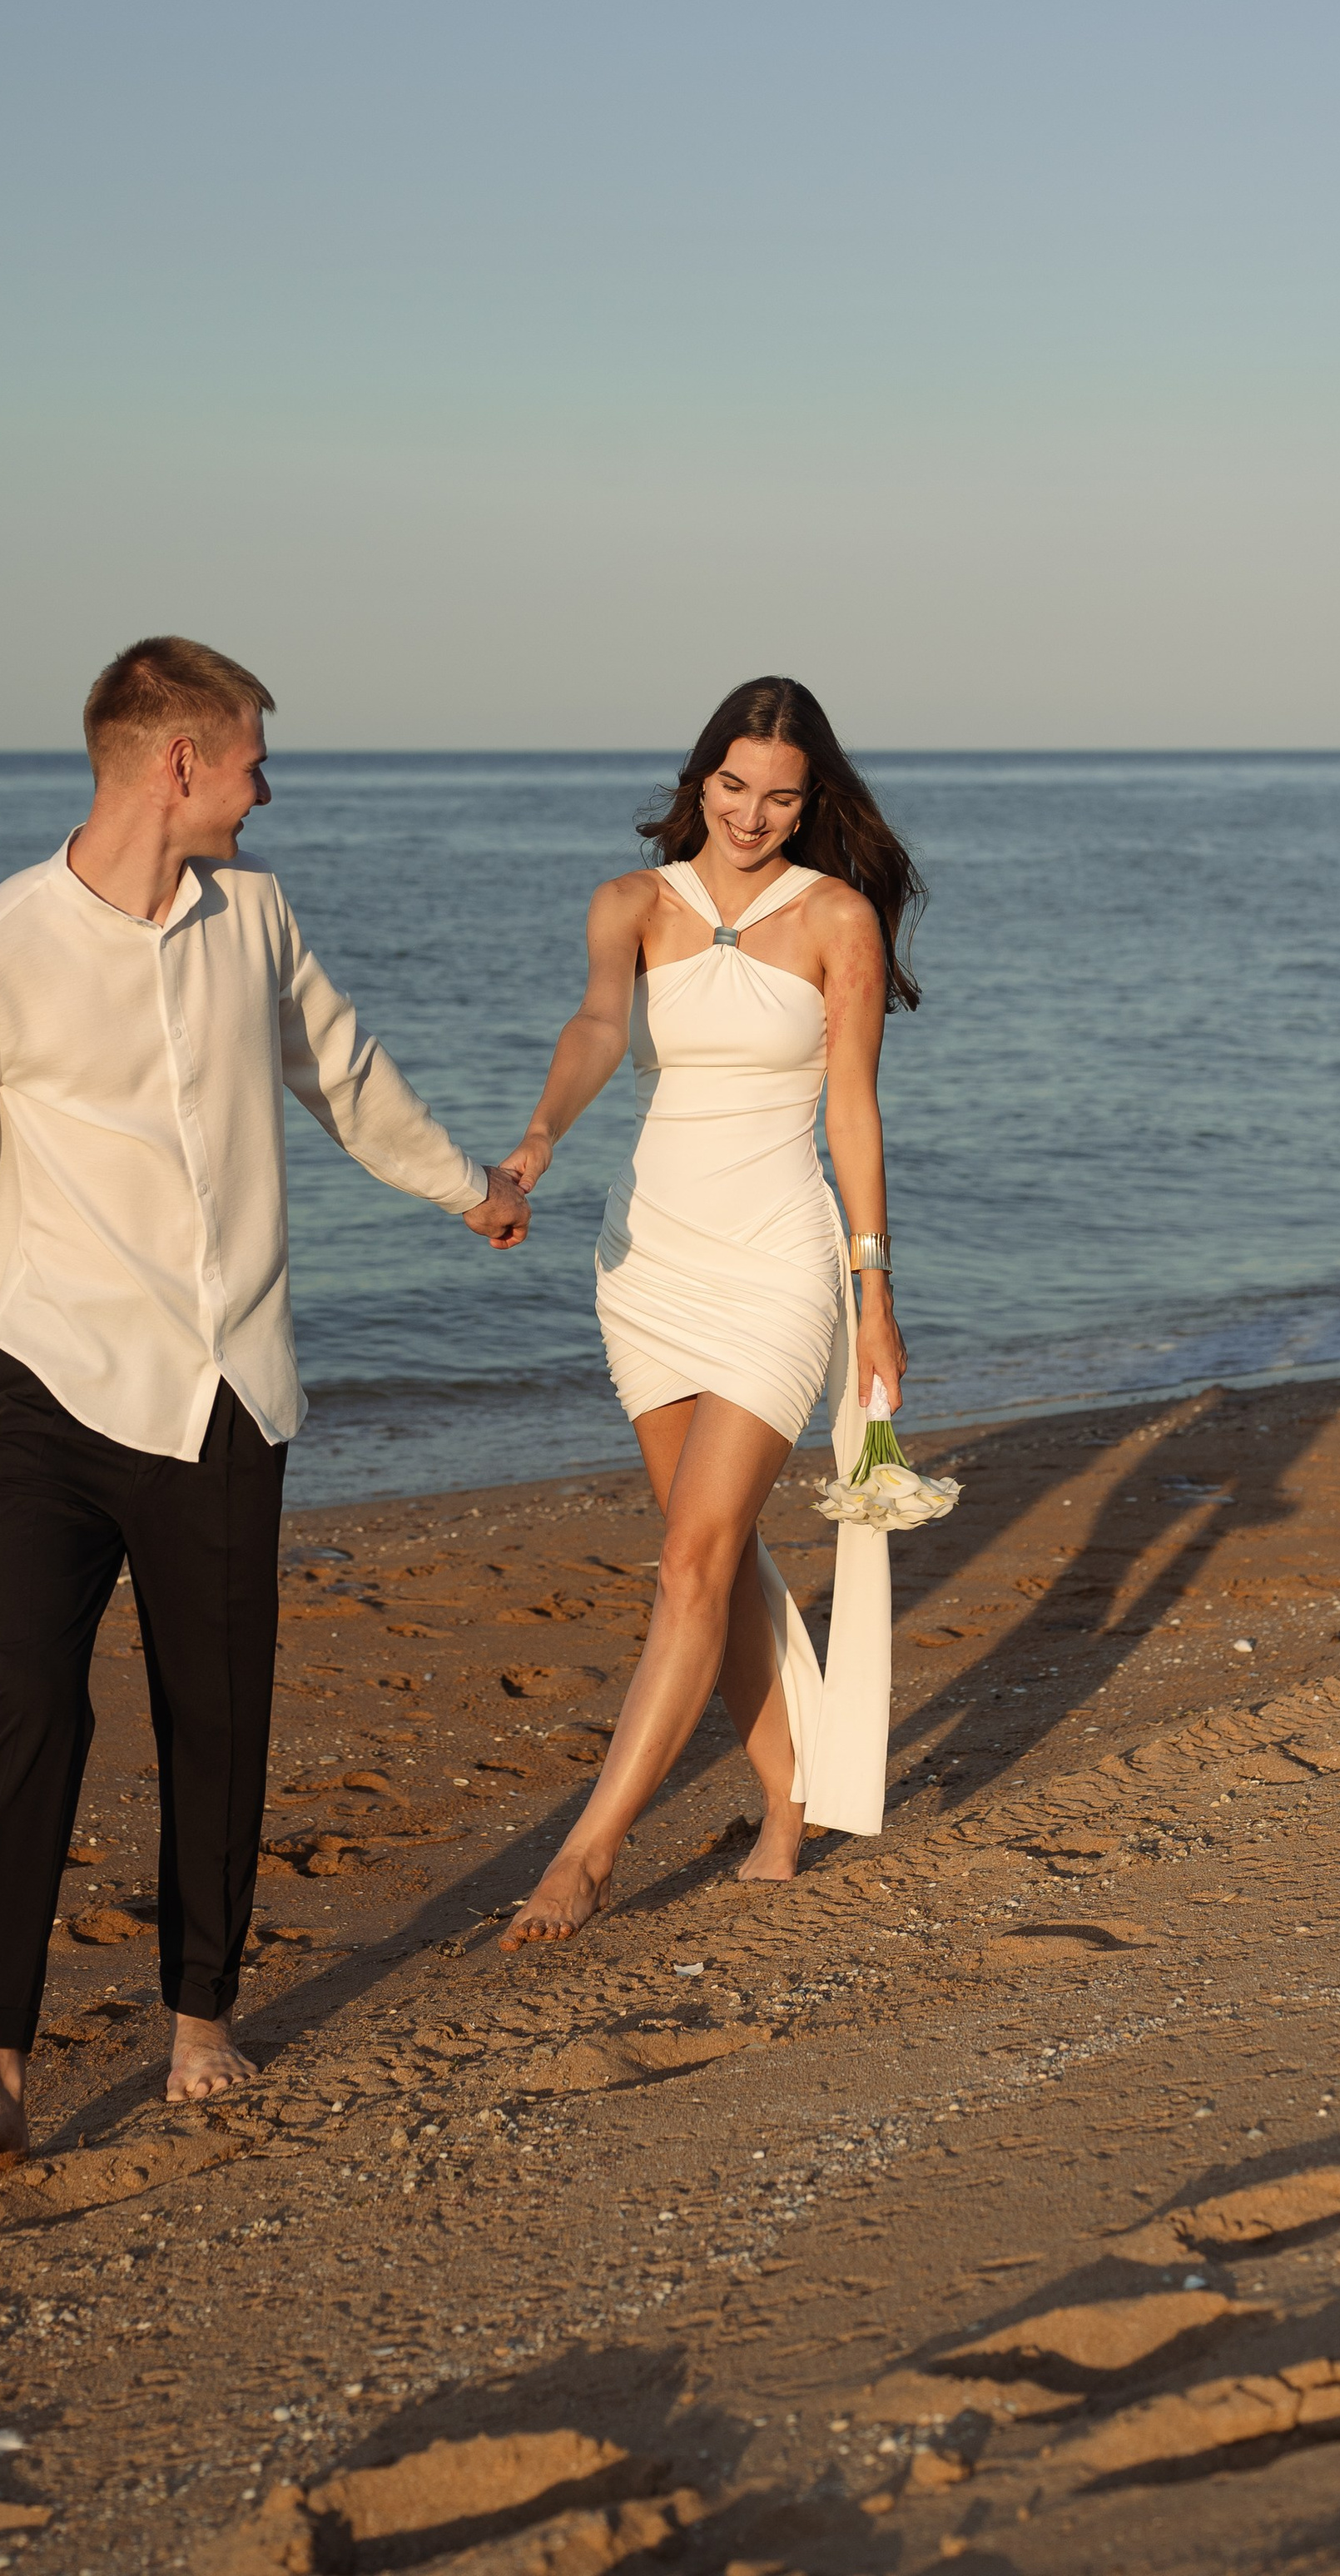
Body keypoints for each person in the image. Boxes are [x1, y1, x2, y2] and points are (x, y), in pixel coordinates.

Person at [0, 636, 529, 2159]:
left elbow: (343, 1075)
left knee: (216, 1715)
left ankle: (201, 2021)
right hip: (47, 1382)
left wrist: (467, 1188)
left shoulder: (255, 917)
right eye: (251, 763)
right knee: (27, 1701)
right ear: (177, 763)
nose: (265, 791)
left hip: (225, 1386)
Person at [494, 676, 923, 1947]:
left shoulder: (837, 917)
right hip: (647, 1262)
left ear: (811, 801)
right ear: (701, 781)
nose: (751, 814)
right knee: (714, 1559)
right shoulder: (630, 905)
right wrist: (537, 1141)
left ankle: (587, 1855)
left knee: (691, 1559)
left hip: (778, 1263)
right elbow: (596, 1026)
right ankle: (788, 1798)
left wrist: (874, 1292)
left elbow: (853, 1110)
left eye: (780, 797)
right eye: (734, 786)